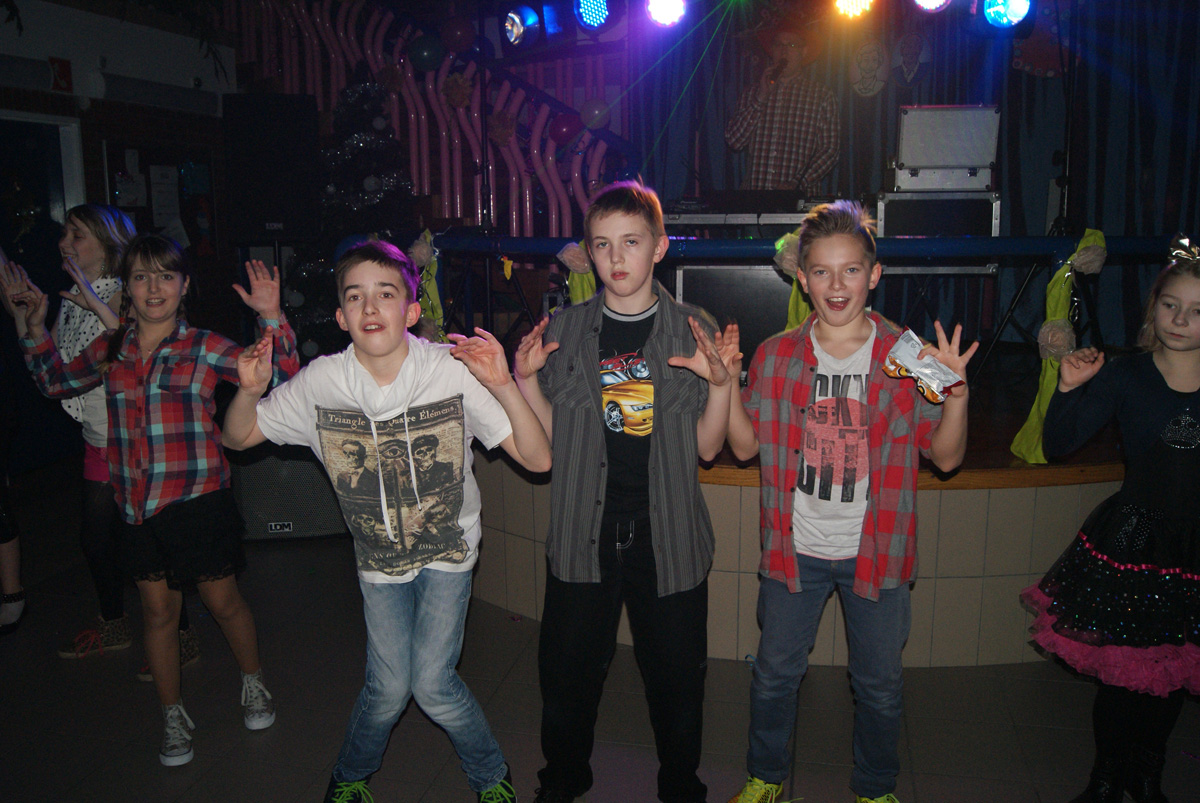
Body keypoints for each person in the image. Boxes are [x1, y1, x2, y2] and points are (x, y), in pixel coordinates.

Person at [220, 240, 551, 803]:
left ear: (411, 310)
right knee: (389, 688)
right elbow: (239, 436)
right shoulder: (322, 382)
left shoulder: (449, 370)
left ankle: (491, 776)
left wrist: (502, 384)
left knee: (433, 684)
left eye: (386, 294)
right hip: (378, 560)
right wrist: (249, 393)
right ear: (341, 316)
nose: (370, 307)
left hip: (448, 551)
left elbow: (539, 460)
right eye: (356, 297)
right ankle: (350, 777)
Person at [725, 201, 976, 803]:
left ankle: (875, 788)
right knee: (773, 677)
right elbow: (743, 446)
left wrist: (957, 395)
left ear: (874, 274)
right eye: (821, 271)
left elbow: (945, 458)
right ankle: (765, 777)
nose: (836, 285)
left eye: (851, 270)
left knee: (880, 687)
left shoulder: (908, 356)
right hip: (793, 550)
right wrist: (725, 385)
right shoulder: (776, 355)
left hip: (878, 550)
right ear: (802, 278)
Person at [14, 234, 296, 766]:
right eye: (141, 277)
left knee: (223, 603)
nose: (154, 288)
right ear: (127, 287)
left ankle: (254, 682)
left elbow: (279, 377)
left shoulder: (204, 346)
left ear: (184, 286)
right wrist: (33, 329)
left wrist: (271, 317)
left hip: (197, 500)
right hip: (136, 506)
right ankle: (172, 716)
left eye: (166, 276)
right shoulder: (111, 347)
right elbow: (54, 382)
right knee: (159, 614)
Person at [513, 181, 736, 803]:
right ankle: (563, 778)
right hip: (584, 530)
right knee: (566, 675)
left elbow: (708, 448)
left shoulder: (694, 329)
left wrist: (721, 386)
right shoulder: (564, 328)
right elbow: (552, 442)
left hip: (669, 532)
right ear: (589, 251)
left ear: (659, 247)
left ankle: (680, 784)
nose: (616, 257)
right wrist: (525, 383)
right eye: (603, 244)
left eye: (631, 242)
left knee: (676, 679)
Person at [1021, 235, 1200, 803]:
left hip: (1194, 549)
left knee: (1172, 672)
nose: (1181, 320)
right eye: (1171, 305)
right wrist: (1068, 389)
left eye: (1197, 311)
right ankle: (1104, 778)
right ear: (1153, 308)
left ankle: (1147, 775)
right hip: (1131, 542)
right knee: (1123, 673)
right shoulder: (1126, 374)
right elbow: (1058, 445)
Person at [724, 20, 839, 194]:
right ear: (772, 50)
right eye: (778, 45)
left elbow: (830, 150)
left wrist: (797, 183)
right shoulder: (752, 93)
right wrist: (761, 98)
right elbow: (734, 141)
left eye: (791, 45)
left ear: (803, 52)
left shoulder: (821, 96)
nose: (784, 51)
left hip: (798, 200)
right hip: (755, 199)